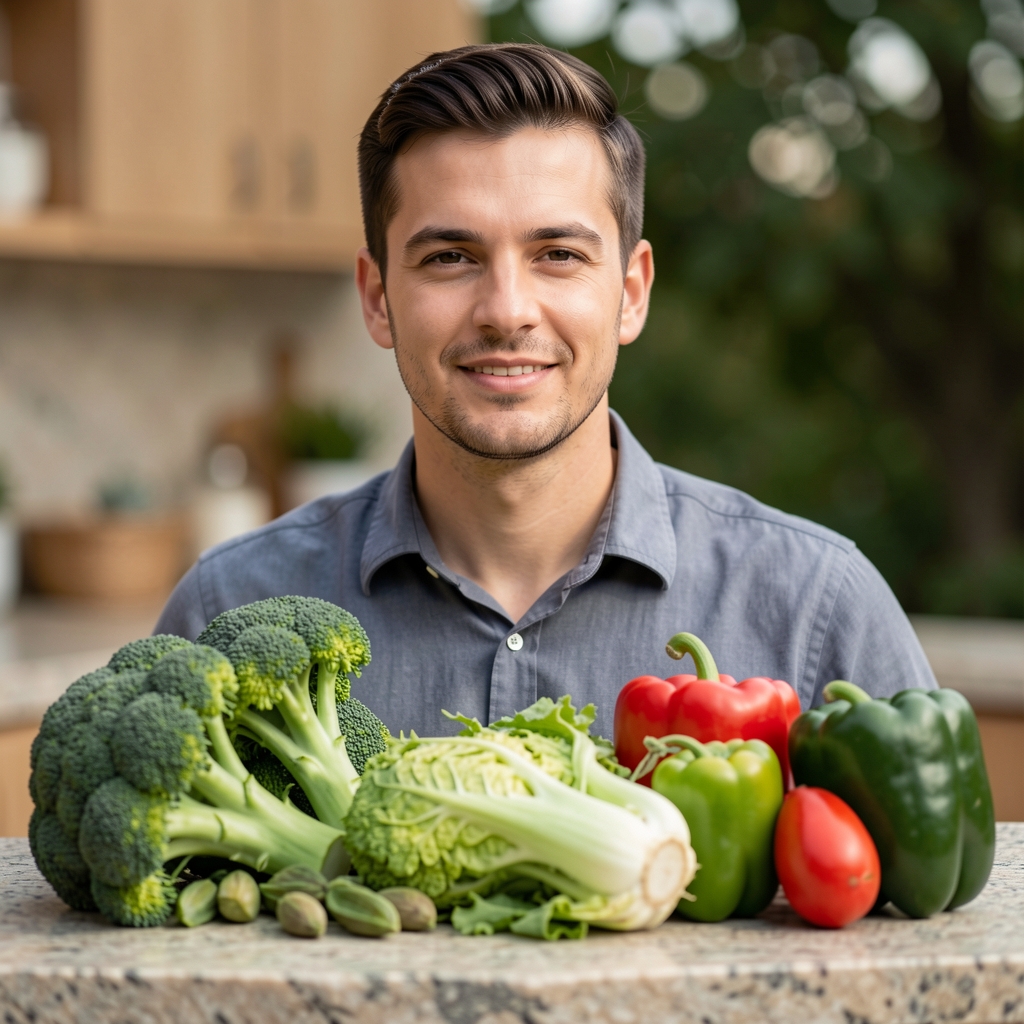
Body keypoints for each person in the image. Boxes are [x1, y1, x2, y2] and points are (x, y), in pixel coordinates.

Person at [155, 43, 935, 738]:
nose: (506, 311)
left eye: (557, 254)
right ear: (376, 297)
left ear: (631, 293)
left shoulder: (816, 613)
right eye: (450, 258)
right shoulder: (227, 611)